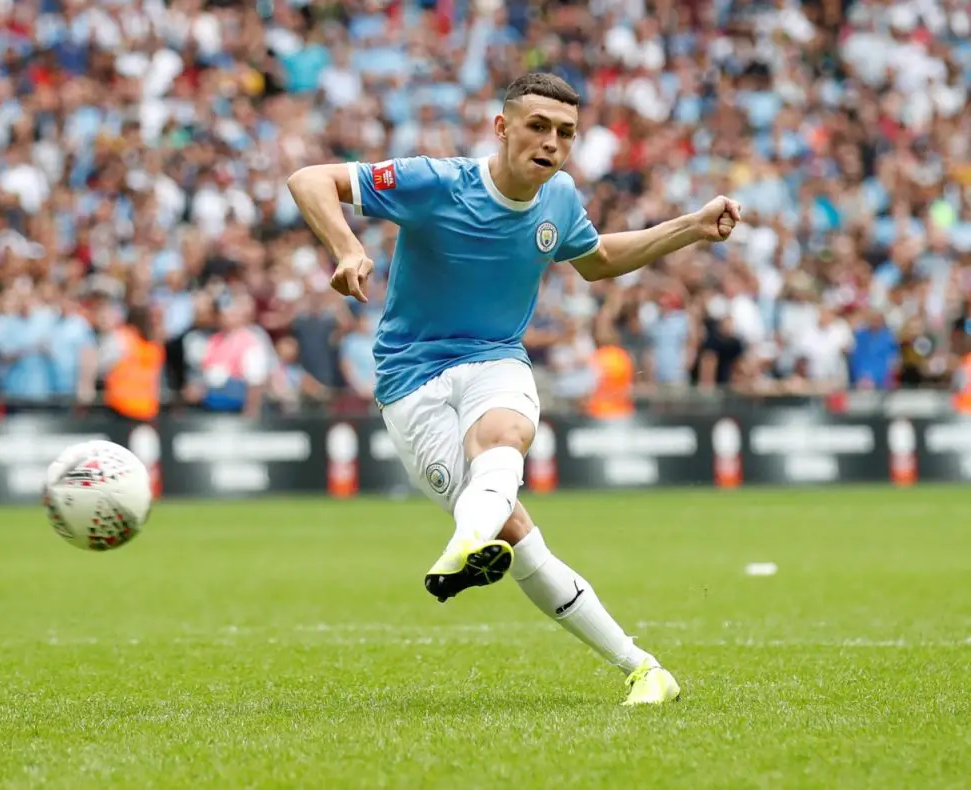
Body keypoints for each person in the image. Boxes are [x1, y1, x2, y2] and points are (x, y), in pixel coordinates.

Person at [287, 73, 741, 706]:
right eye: (538, 126)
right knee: (515, 533)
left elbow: (598, 260)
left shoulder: (560, 198)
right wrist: (346, 247)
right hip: (409, 379)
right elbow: (309, 179)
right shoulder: (435, 182)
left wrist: (692, 225)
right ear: (502, 128)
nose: (552, 142)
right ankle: (645, 667)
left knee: (504, 435)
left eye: (566, 133)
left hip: (495, 358)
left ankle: (466, 542)